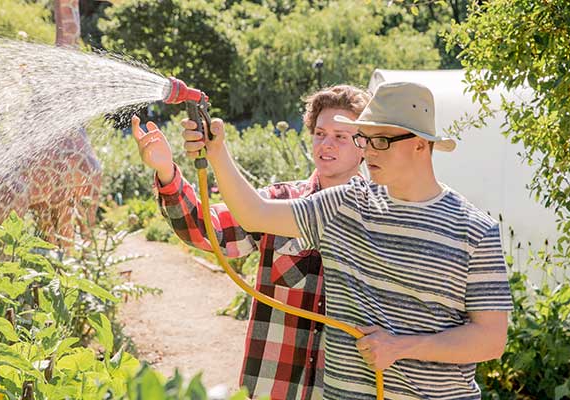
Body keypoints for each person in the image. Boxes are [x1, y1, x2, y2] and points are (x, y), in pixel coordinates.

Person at [179, 81, 513, 399]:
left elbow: (490, 339)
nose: (368, 151)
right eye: (364, 139)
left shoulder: (474, 229)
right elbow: (255, 213)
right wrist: (218, 151)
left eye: (380, 140)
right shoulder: (345, 204)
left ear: (420, 144)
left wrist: (403, 346)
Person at [132, 85, 371, 400]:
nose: (326, 144)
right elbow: (207, 230)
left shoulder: (380, 219)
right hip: (274, 388)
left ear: (366, 145)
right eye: (320, 133)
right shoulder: (277, 204)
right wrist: (166, 170)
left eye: (340, 136)